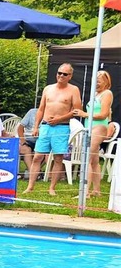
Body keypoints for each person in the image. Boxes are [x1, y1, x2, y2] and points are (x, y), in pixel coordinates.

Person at [23, 63, 82, 196]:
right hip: (45, 126)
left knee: (58, 158)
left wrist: (59, 119)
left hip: (61, 127)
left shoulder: (74, 90)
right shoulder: (48, 88)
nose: (61, 76)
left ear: (70, 76)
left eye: (64, 74)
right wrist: (36, 126)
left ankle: (52, 187)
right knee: (38, 156)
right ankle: (30, 186)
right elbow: (41, 108)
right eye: (59, 73)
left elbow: (77, 111)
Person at [72, 70, 114, 197]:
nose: (96, 83)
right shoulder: (95, 94)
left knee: (87, 158)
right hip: (90, 127)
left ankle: (85, 192)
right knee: (94, 161)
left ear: (106, 81)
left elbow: (103, 114)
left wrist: (84, 114)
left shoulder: (107, 93)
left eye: (99, 81)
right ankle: (96, 190)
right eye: (95, 80)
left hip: (99, 127)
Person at [16, 108, 43, 180]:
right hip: (28, 139)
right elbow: (20, 128)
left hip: (41, 141)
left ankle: (34, 173)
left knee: (44, 151)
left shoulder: (50, 114)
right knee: (26, 149)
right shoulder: (32, 112)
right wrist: (22, 141)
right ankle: (34, 173)